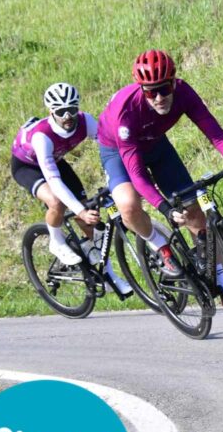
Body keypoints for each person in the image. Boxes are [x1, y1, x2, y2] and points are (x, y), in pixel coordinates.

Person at [96, 49, 223, 314]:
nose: (159, 98)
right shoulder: (126, 114)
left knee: (194, 211)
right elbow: (137, 174)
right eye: (151, 92)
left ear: (174, 82)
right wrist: (164, 207)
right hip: (118, 150)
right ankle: (159, 246)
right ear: (142, 90)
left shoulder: (184, 93)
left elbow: (216, 134)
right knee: (128, 205)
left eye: (164, 89)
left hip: (155, 143)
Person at [10, 82, 132, 295]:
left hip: (56, 160)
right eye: (60, 112)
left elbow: (111, 145)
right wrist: (80, 211)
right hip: (27, 166)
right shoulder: (42, 137)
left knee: (89, 222)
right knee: (56, 202)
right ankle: (56, 241)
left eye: (72, 109)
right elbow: (55, 183)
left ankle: (109, 276)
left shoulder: (85, 121)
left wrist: (123, 175)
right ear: (51, 112)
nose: (67, 116)